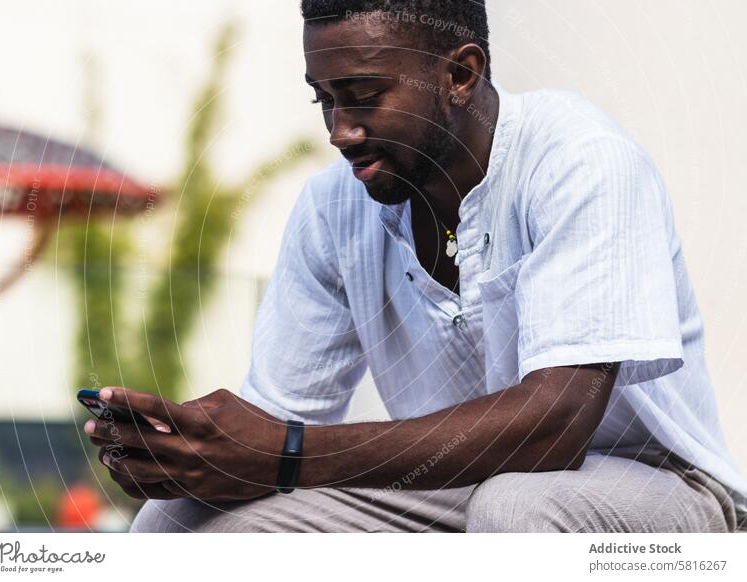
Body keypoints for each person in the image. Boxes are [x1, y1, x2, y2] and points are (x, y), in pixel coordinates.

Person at [85, 0, 747, 532]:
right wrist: (201, 455)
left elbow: (556, 428)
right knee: (179, 521)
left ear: (459, 75)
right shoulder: (331, 210)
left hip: (657, 491)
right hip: (451, 486)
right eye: (325, 99)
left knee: (517, 508)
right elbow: (277, 418)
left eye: (364, 95)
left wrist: (285, 454)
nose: (340, 130)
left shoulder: (579, 159)